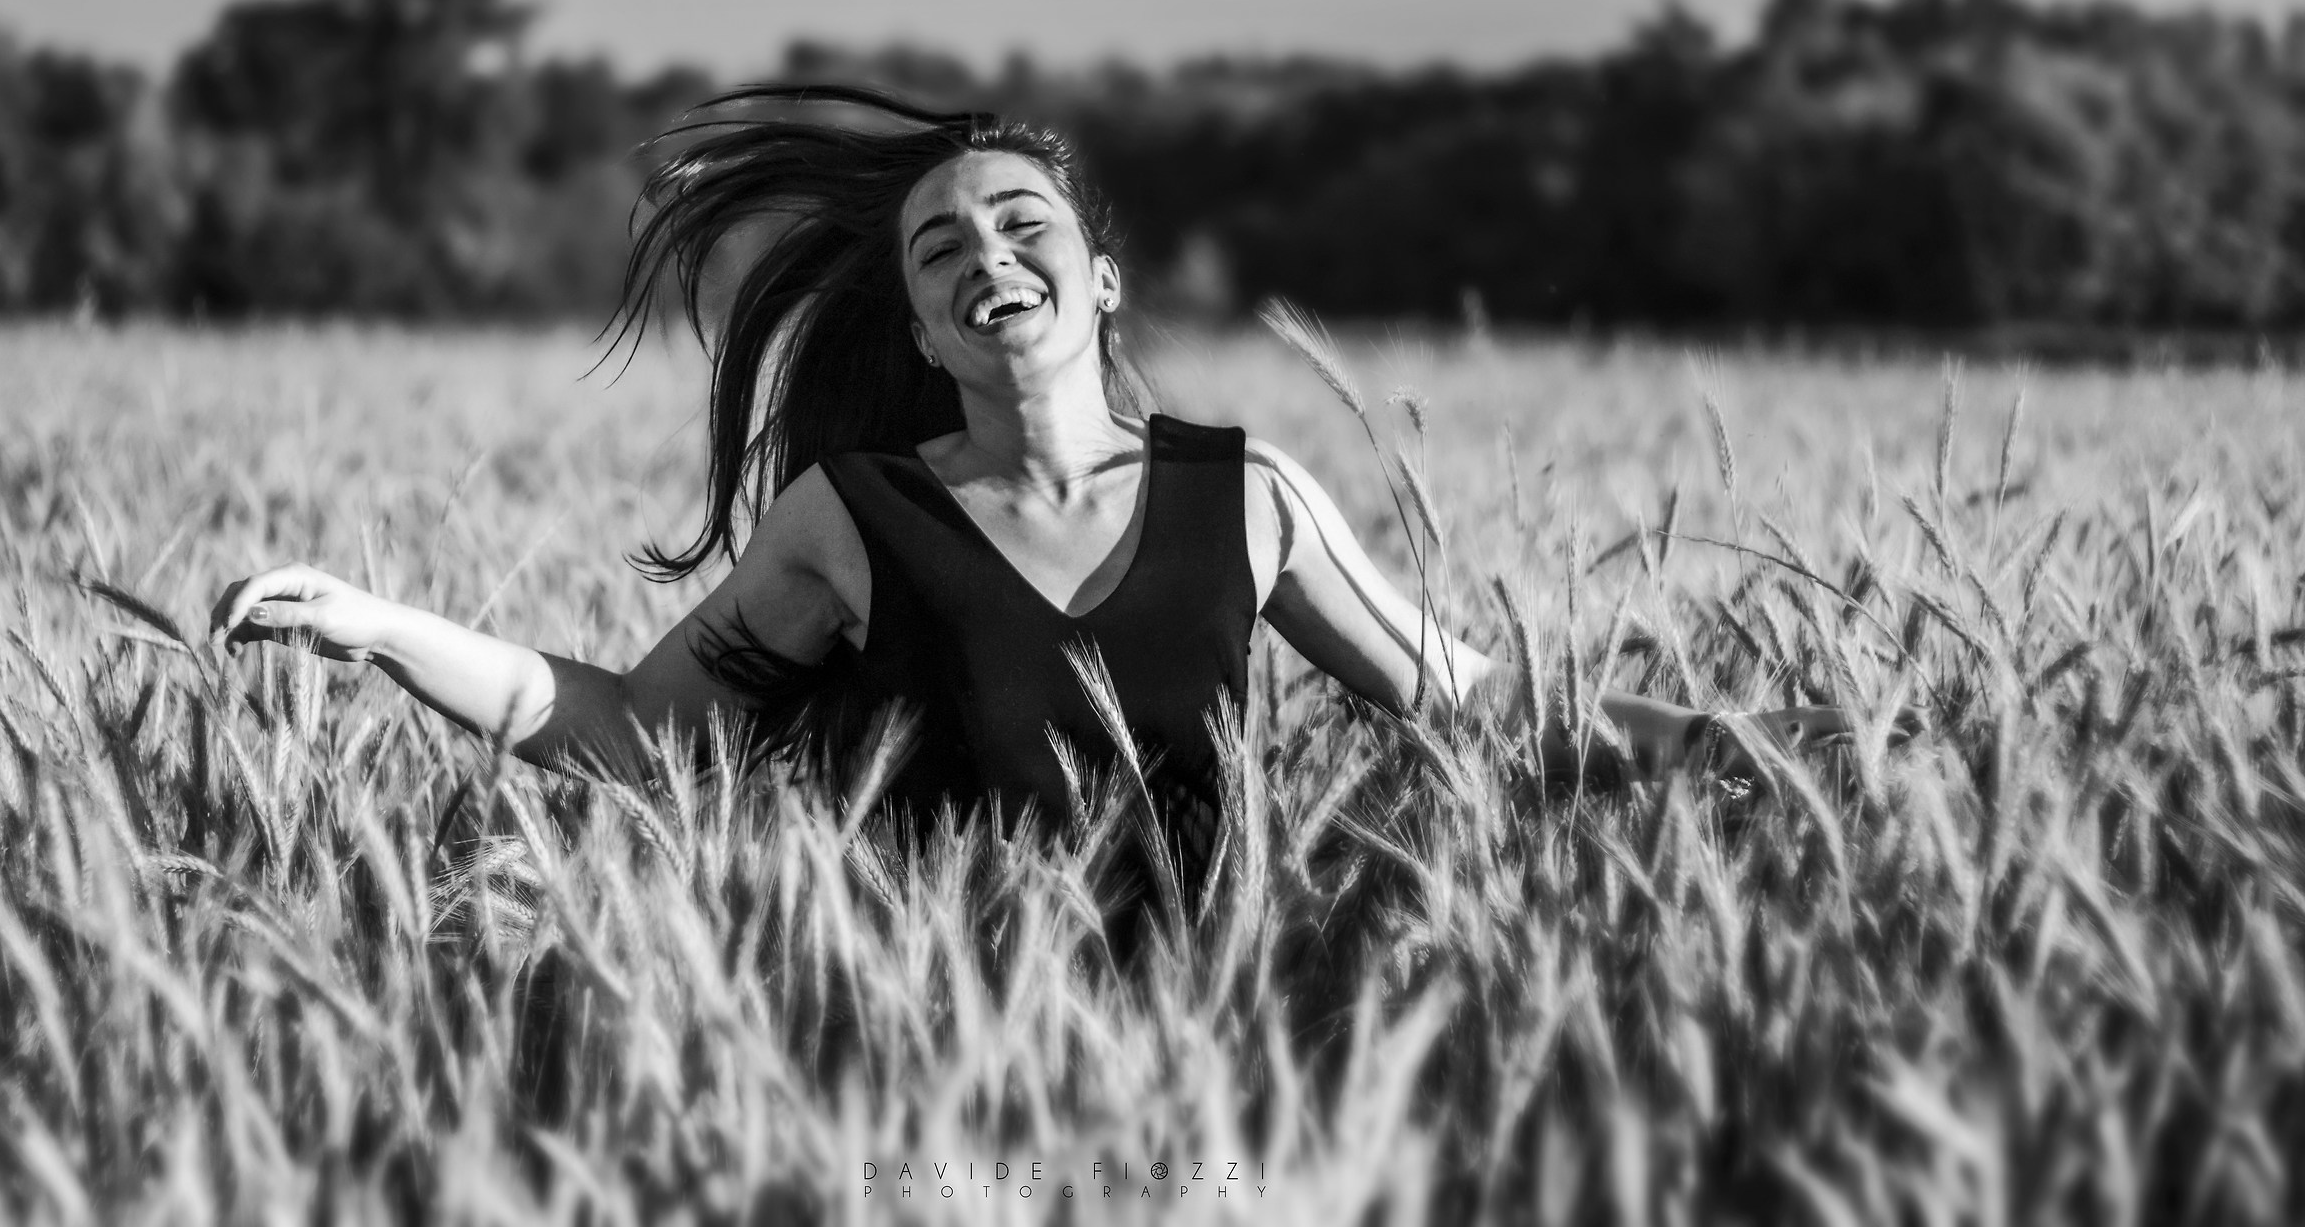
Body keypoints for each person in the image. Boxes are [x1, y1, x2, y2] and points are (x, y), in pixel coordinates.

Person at [210, 87, 1842, 873]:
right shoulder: (855, 520)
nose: (984, 254)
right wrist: (379, 627)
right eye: (940, 251)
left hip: (1200, 1094)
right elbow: (635, 731)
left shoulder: (1247, 497)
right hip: (931, 1099)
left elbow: (1474, 708)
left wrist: (1740, 746)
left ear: (1100, 281)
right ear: (923, 329)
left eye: (1018, 224)